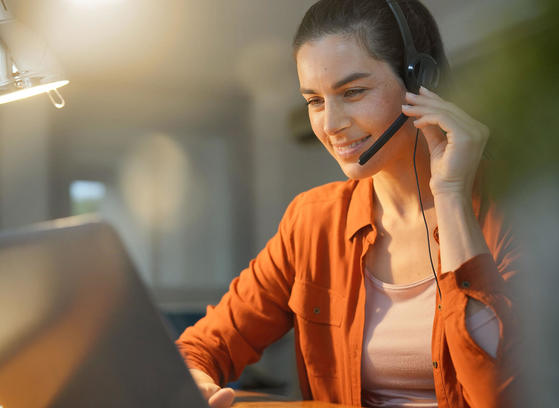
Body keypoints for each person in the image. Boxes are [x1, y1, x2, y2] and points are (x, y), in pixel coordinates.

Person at [176, 1, 520, 407]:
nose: (330, 124)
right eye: (315, 101)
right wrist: (194, 380)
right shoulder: (313, 220)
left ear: (422, 82)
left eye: (353, 92)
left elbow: (509, 396)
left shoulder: (521, 207)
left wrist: (451, 195)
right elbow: (201, 346)